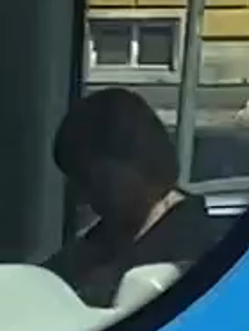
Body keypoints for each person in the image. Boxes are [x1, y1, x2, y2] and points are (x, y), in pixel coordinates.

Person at [51, 84, 186, 311]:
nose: (83, 197)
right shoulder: (100, 240)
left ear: (140, 161)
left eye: (93, 179)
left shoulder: (194, 255)